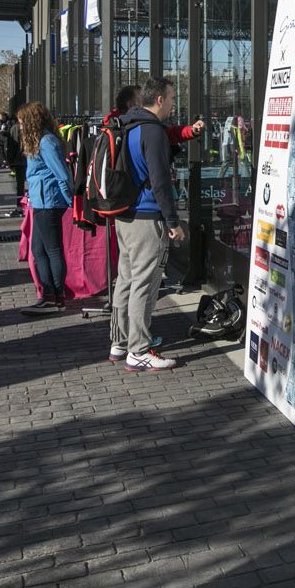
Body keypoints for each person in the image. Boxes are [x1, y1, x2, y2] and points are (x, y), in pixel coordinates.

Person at [110, 78, 185, 372]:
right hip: (146, 216)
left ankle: (121, 341)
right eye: (171, 98)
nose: (172, 104)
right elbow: (160, 181)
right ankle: (139, 349)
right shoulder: (152, 130)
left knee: (126, 280)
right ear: (158, 101)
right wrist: (173, 221)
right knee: (144, 283)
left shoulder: (127, 124)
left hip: (125, 215)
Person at [17, 102, 73, 315]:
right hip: (41, 201)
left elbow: (61, 173)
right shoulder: (42, 141)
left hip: (48, 201)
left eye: (22, 122)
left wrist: (69, 200)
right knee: (39, 250)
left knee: (51, 250)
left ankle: (55, 297)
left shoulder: (47, 141)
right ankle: (50, 296)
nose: (20, 126)